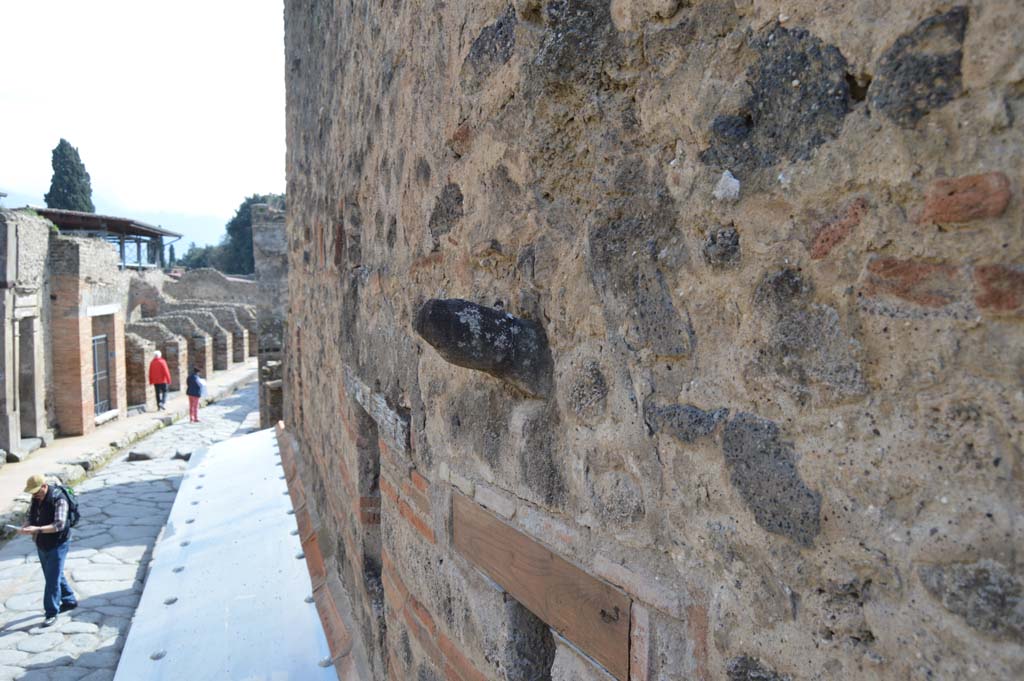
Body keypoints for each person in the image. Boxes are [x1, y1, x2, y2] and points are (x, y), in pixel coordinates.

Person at [19, 475, 77, 627]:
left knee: (52, 579)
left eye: (36, 492)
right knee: (54, 574)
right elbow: (31, 515)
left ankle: (51, 613)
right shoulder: (36, 498)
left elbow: (59, 525)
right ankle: (69, 600)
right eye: (32, 493)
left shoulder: (60, 499)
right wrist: (26, 525)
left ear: (44, 486)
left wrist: (37, 529)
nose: (34, 495)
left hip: (58, 543)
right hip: (42, 543)